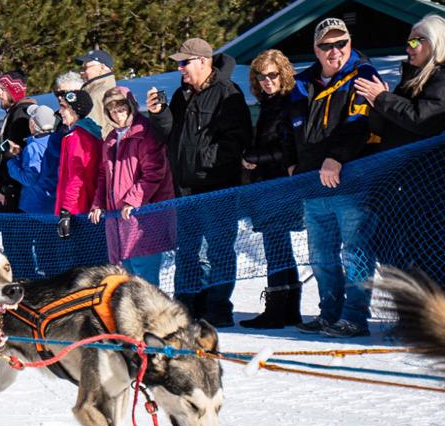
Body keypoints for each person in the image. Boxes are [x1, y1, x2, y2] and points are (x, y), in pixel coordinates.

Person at [355, 14, 445, 293]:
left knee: (429, 259)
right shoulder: (414, 77)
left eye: (415, 42)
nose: (408, 48)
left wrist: (383, 99)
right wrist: (378, 104)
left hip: (434, 186)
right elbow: (391, 125)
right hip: (404, 185)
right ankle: (414, 309)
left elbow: (425, 119)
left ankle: (439, 316)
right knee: (388, 245)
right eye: (408, 42)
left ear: (434, 42)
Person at [287, 17, 382, 338]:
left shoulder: (363, 75)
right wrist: (292, 163)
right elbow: (291, 130)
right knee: (320, 257)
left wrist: (337, 157)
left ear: (350, 43)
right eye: (326, 45)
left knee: (355, 253)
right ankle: (329, 313)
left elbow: (360, 125)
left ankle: (354, 317)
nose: (335, 51)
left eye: (341, 43)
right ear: (316, 49)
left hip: (352, 184)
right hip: (313, 186)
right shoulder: (301, 84)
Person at [146, 38, 252, 326]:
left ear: (203, 61)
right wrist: (159, 114)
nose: (180, 68)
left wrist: (202, 160)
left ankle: (218, 307)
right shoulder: (181, 94)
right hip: (185, 188)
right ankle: (186, 305)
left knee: (218, 249)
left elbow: (236, 141)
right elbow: (168, 135)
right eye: (179, 63)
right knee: (188, 250)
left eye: (185, 62)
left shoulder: (227, 92)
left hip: (216, 186)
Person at [238, 49, 302, 329]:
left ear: (283, 74)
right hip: (269, 184)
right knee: (279, 246)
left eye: (272, 75)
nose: (267, 81)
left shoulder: (286, 102)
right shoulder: (268, 103)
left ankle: (277, 310)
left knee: (275, 246)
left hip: (279, 184)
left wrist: (255, 157)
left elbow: (288, 148)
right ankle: (289, 309)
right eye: (261, 76)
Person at [88, 86, 174, 286]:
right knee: (124, 277)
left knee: (145, 279)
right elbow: (104, 175)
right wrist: (98, 203)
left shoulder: (144, 132)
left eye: (121, 109)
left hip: (143, 218)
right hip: (117, 219)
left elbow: (154, 172)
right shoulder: (110, 139)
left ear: (131, 107)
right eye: (112, 111)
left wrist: (133, 200)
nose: (117, 115)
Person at [54, 89, 102, 236]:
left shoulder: (77, 137)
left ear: (75, 110)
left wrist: (66, 210)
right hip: (84, 206)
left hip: (78, 210)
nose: (60, 111)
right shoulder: (89, 133)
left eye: (63, 107)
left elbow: (76, 176)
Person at [0, 71, 34, 212]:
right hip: (9, 188)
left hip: (14, 191)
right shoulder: (13, 112)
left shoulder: (21, 114)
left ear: (14, 91)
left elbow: (15, 153)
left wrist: (7, 185)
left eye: (3, 89)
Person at [6, 103, 60, 215]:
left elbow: (28, 179)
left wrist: (11, 160)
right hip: (55, 204)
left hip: (36, 207)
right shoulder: (59, 140)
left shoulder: (33, 147)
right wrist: (20, 156)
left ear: (32, 123)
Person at [76, 48, 117, 130]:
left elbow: (89, 131)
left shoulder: (96, 95)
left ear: (102, 67)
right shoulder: (110, 89)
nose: (81, 72)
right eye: (81, 68)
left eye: (85, 68)